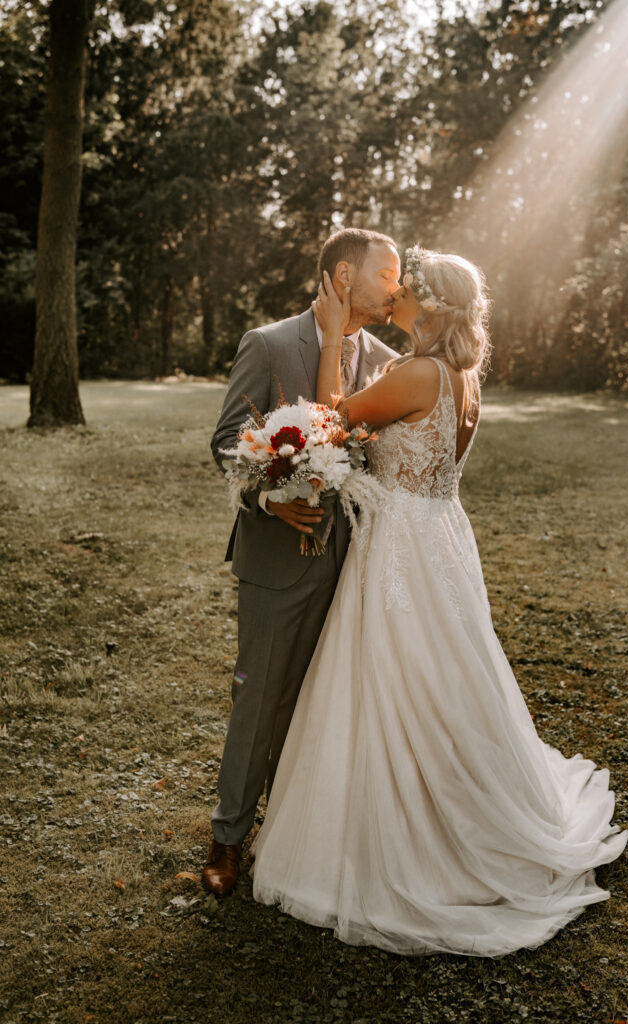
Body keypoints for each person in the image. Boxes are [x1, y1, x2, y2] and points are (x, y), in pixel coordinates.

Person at [250, 246, 628, 956]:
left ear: (424, 303)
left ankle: (413, 838)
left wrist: (332, 337)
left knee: (398, 679)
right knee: (440, 675)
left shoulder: (418, 372)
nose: (388, 293)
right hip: (439, 540)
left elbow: (332, 419)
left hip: (399, 547)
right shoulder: (457, 374)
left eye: (400, 286)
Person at [202, 228, 400, 897]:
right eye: (386, 274)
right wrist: (268, 496)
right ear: (343, 275)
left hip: (351, 561)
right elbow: (227, 441)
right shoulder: (269, 343)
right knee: (257, 699)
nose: (394, 289)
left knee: (322, 704)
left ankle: (294, 838)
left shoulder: (380, 358)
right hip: (275, 558)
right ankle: (226, 838)